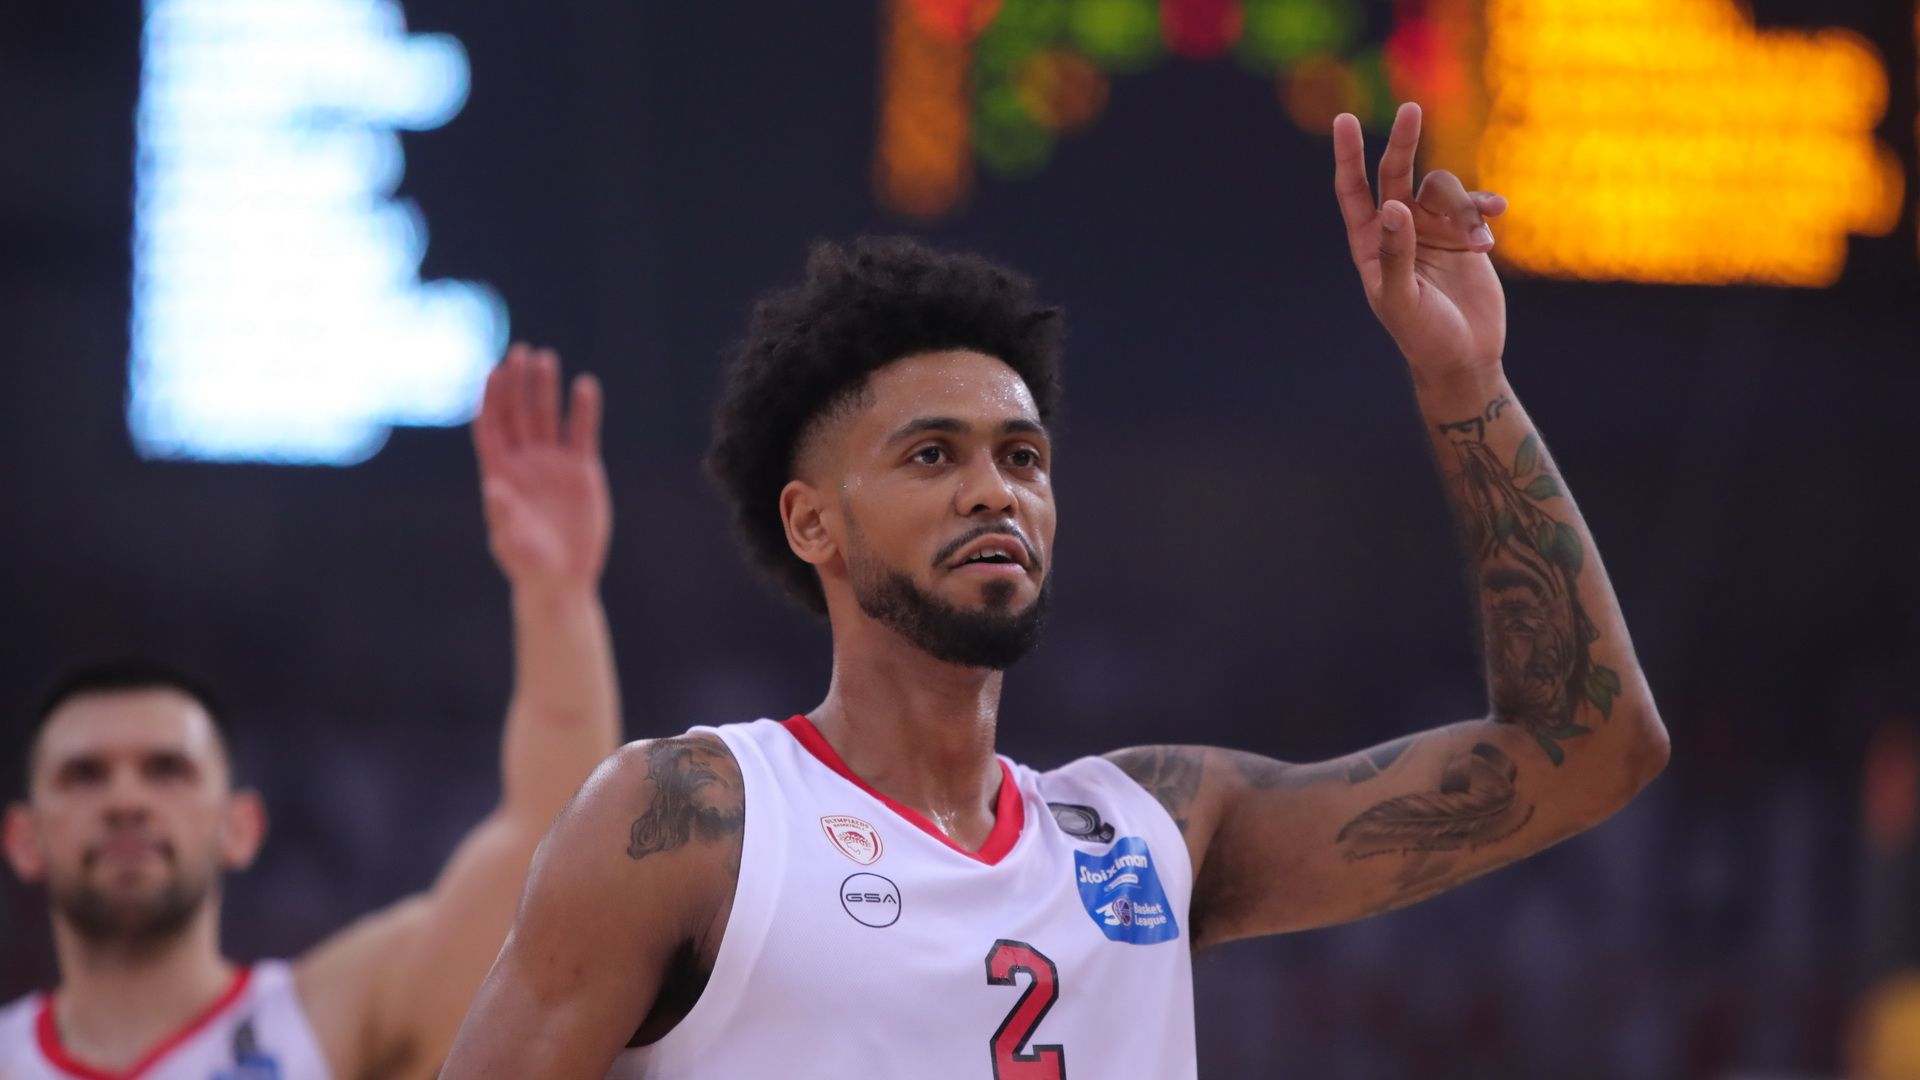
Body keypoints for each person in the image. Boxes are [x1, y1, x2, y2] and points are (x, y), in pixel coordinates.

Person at [441, 103, 1673, 1079]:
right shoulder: (692, 818)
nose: (995, 492)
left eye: (1022, 458)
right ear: (813, 522)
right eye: (934, 456)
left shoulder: (1159, 827)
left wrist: (1465, 381)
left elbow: (1589, 751)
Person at [1, 345, 621, 1080]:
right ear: (23, 838)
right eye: (84, 775)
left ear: (241, 825)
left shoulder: (333, 1019)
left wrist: (556, 600)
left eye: (167, 770)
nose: (126, 799)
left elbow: (547, 843)